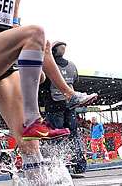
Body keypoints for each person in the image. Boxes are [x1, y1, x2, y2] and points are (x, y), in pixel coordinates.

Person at [41, 41, 87, 173]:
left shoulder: (49, 65)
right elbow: (75, 80)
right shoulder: (72, 66)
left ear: (52, 52)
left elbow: (41, 82)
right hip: (70, 105)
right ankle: (79, 165)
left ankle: (58, 166)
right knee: (73, 135)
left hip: (53, 105)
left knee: (56, 136)